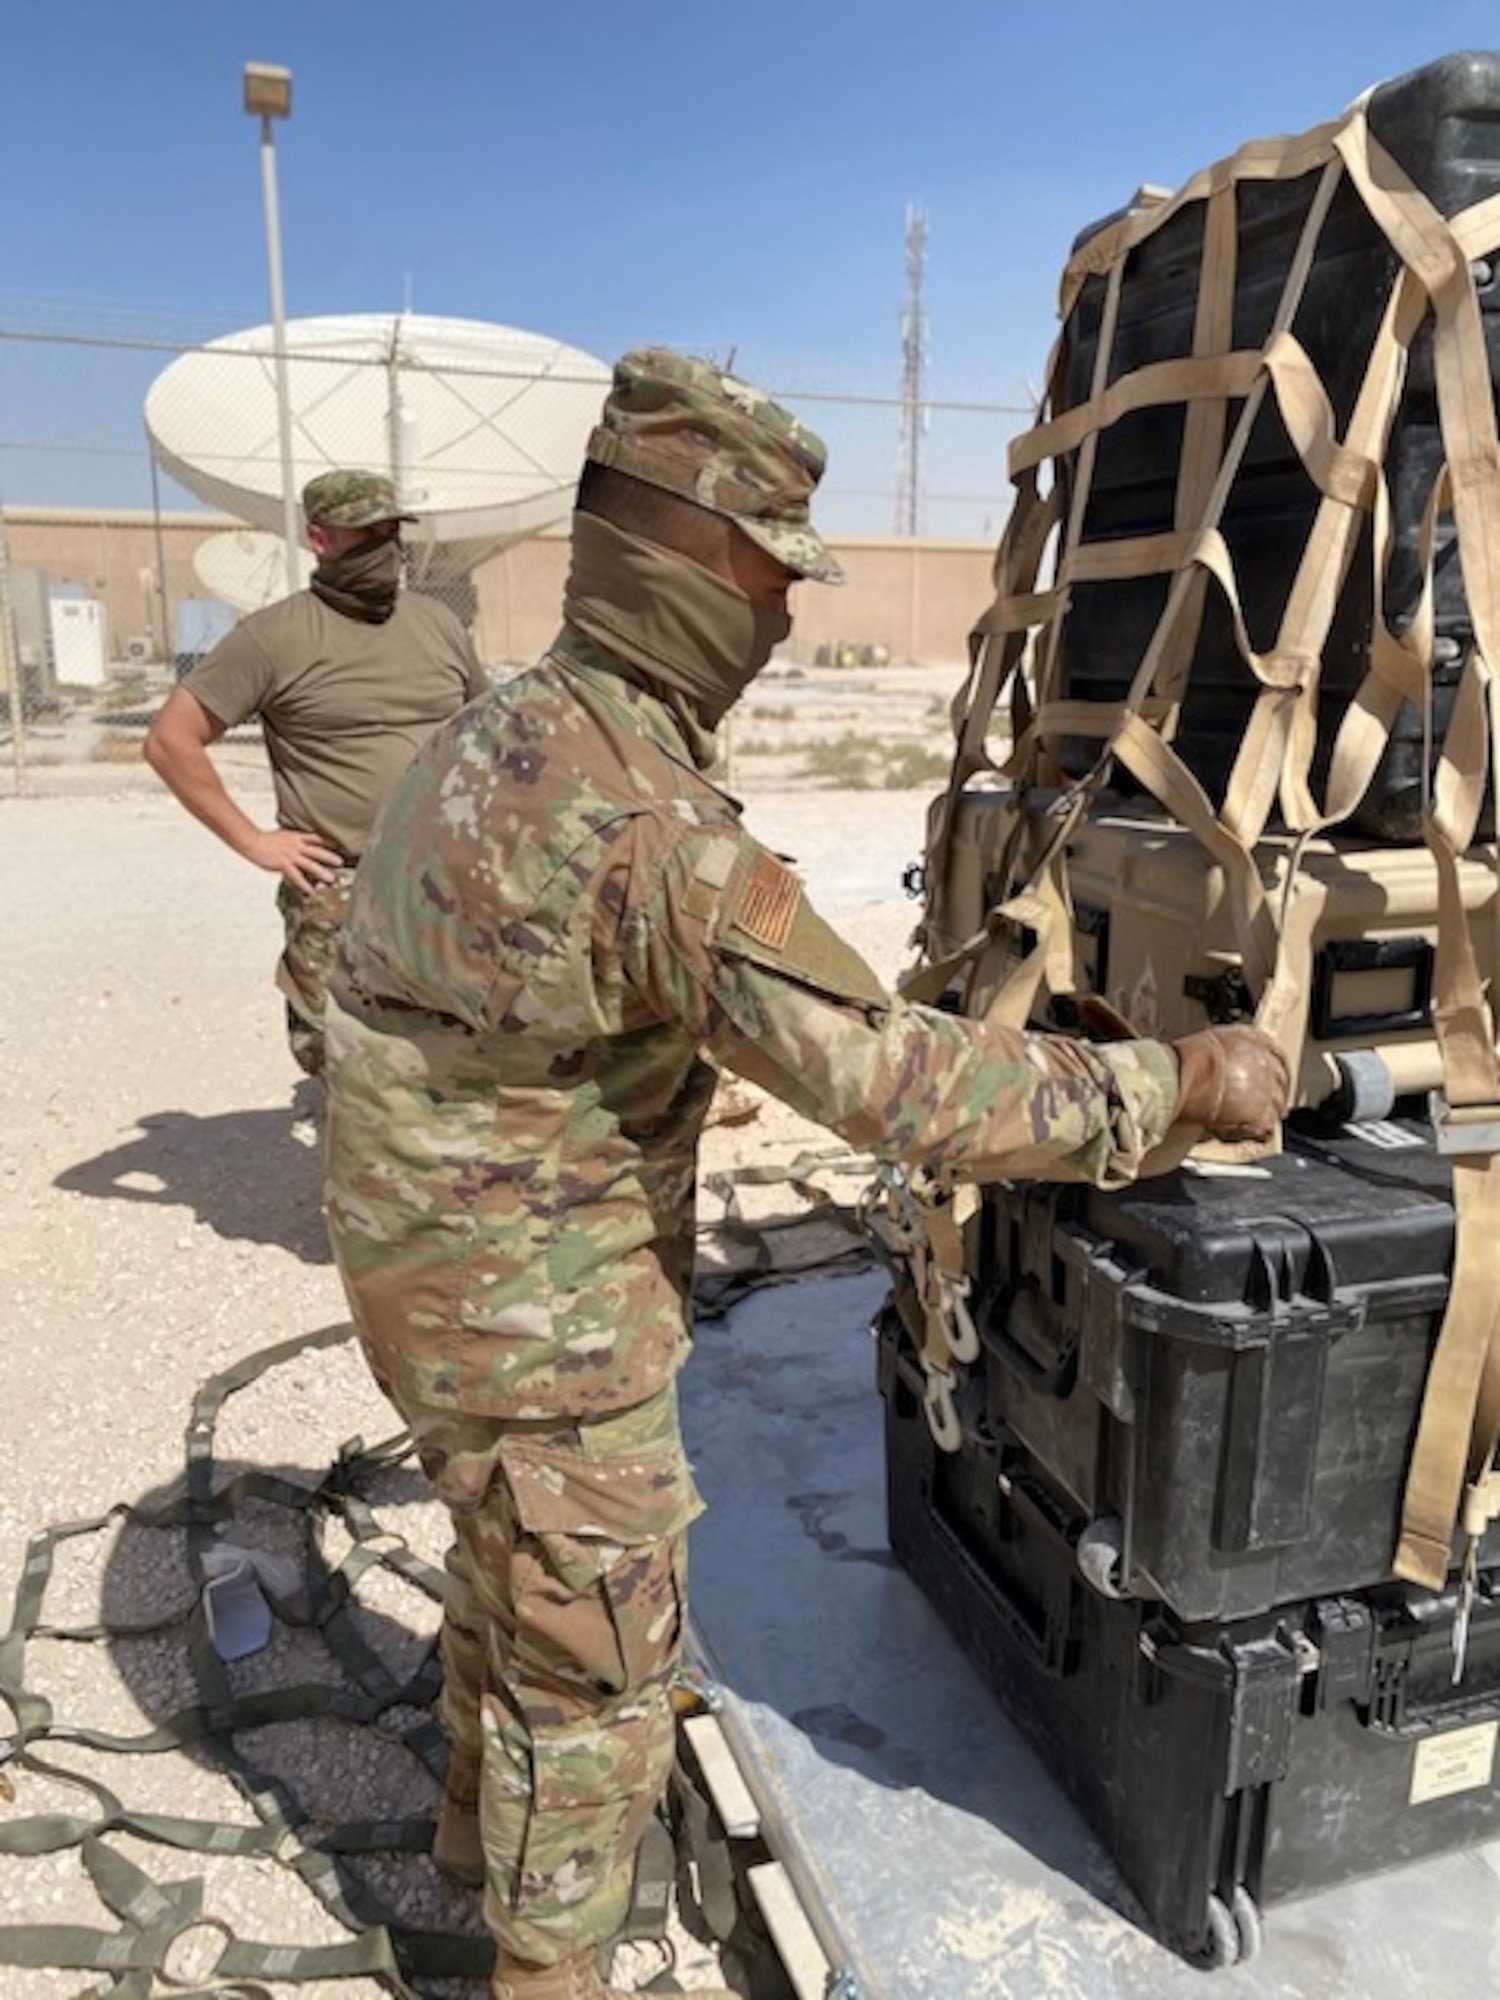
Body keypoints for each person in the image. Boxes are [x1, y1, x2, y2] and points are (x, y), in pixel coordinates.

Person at [322, 349, 1290, 2000]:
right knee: (595, 1675)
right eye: (776, 574)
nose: (783, 618)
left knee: (504, 1567)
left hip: (422, 1277)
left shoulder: (508, 728)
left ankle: (467, 1842)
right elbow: (905, 1090)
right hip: (544, 1324)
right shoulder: (660, 836)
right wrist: (1178, 1082)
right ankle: (544, 1969)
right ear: (700, 566)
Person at [143, 470, 489, 1079]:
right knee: (339, 1056)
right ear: (320, 539)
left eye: (391, 531)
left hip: (442, 881)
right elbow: (171, 741)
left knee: (452, 1052)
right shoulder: (274, 637)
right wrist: (255, 841)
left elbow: (484, 735)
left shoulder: (439, 625)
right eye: (365, 533)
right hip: (340, 887)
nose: (385, 547)